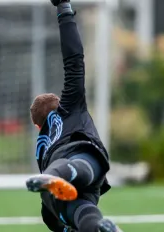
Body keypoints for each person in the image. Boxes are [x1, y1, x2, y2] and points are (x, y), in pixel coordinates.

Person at [26, 1, 121, 231]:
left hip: (62, 180)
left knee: (63, 207)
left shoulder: (41, 146)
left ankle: (55, 180)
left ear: (37, 126)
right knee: (85, 210)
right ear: (59, 104)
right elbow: (74, 60)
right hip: (91, 165)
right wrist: (64, 8)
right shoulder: (71, 105)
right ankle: (101, 228)